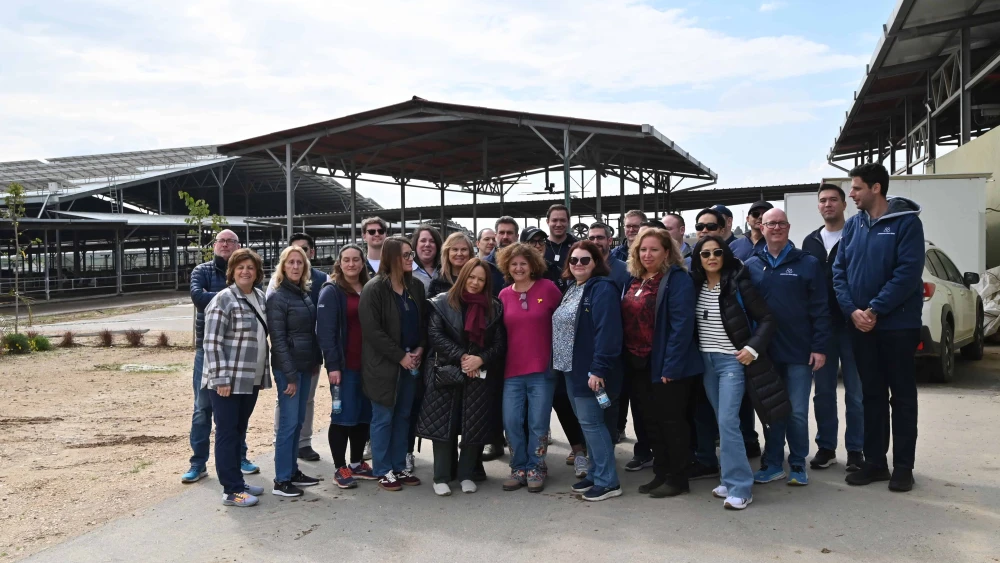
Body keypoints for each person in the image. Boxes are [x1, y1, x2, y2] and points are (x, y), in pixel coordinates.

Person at [834, 163, 923, 492]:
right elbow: (839, 272)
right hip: (860, 325)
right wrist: (852, 310)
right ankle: (875, 462)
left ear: (876, 188)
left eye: (856, 188)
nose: (852, 194)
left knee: (901, 397)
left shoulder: (907, 224)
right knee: (871, 394)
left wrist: (874, 309)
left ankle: (903, 467)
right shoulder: (853, 226)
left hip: (897, 326)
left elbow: (908, 273)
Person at [690, 235, 782, 510]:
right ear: (698, 259)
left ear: (725, 255)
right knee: (722, 422)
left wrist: (752, 348)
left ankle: (742, 487)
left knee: (729, 422)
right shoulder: (695, 285)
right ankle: (729, 480)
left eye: (717, 252)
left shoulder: (737, 283)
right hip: (706, 363)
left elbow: (767, 318)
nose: (711, 257)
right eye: (705, 254)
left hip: (731, 362)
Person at [745, 208, 830, 487]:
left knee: (795, 410)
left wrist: (819, 347)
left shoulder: (807, 263)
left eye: (781, 223)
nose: (776, 228)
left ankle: (797, 463)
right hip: (765, 353)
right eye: (771, 223)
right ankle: (772, 463)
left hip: (799, 351)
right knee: (772, 411)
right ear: (762, 227)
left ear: (789, 227)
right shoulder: (751, 264)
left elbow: (820, 308)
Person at [622, 227, 703, 498]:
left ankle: (678, 477)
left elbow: (682, 326)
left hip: (667, 365)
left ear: (667, 252)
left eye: (654, 249)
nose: (647, 254)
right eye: (643, 249)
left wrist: (672, 366)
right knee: (650, 422)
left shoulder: (677, 279)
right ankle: (661, 472)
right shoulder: (634, 279)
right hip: (638, 363)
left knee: (672, 422)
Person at [418, 258, 506, 496]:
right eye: (471, 277)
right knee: (443, 425)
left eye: (481, 279)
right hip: (447, 371)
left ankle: (467, 473)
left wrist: (480, 359)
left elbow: (499, 343)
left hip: (478, 372)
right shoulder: (441, 302)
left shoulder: (494, 307)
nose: (475, 283)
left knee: (472, 424)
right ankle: (441, 476)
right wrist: (463, 357)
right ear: (463, 276)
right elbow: (435, 334)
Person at [182, 229, 256, 484]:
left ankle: (240, 458)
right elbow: (198, 298)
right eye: (221, 241)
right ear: (214, 245)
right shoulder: (201, 271)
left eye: (230, 241)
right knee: (203, 408)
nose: (225, 244)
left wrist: (236, 295)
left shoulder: (245, 272)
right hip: (208, 348)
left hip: (239, 352)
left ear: (238, 245)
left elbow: (254, 301)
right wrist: (233, 297)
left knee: (237, 411)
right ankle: (198, 462)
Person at [553, 241, 624, 501]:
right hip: (570, 369)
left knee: (594, 425)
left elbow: (608, 332)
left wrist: (598, 369)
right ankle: (595, 473)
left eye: (585, 260)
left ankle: (608, 482)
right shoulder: (573, 288)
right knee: (589, 425)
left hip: (591, 372)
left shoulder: (602, 289)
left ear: (596, 262)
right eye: (574, 260)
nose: (579, 264)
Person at [202, 248, 271, 507]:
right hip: (227, 381)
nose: (245, 271)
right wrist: (220, 379)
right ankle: (231, 490)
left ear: (257, 273)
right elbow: (211, 342)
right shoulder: (223, 299)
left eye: (250, 268)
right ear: (232, 271)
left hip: (250, 378)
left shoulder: (260, 298)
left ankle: (238, 482)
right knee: (227, 432)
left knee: (239, 431)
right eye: (240, 267)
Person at [803, 184, 864, 473]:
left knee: (856, 393)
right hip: (822, 330)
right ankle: (826, 448)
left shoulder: (858, 236)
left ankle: (856, 450)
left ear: (844, 204)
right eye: (823, 201)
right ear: (818, 206)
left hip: (853, 327)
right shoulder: (810, 241)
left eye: (833, 200)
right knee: (823, 393)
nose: (828, 205)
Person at [359, 236, 426, 491]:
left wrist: (419, 348)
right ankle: (383, 469)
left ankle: (399, 466)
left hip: (412, 363)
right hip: (384, 366)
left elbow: (422, 323)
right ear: (393, 258)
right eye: (407, 255)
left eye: (411, 255)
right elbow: (373, 331)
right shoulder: (374, 288)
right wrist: (400, 356)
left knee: (403, 416)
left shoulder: (416, 287)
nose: (412, 259)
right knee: (383, 417)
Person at [497, 242, 563, 492]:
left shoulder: (548, 288)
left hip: (542, 370)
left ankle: (537, 466)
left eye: (523, 263)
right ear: (507, 266)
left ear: (533, 265)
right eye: (513, 263)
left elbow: (564, 322)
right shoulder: (503, 294)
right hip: (511, 371)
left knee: (538, 421)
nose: (518, 267)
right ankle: (518, 466)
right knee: (512, 421)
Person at [317, 244, 376, 489]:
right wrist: (333, 366)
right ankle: (339, 466)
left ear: (363, 263)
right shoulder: (331, 291)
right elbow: (326, 332)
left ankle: (356, 463)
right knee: (342, 417)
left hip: (369, 366)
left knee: (363, 416)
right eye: (346, 260)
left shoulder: (370, 288)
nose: (351, 264)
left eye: (356, 260)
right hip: (344, 365)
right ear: (339, 263)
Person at [266, 245, 323, 497]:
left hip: (304, 367)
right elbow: (277, 340)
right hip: (288, 370)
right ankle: (281, 480)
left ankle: (292, 471)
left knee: (298, 422)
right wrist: (289, 376)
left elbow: (310, 334)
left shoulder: (303, 294)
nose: (296, 266)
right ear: (283, 266)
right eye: (291, 262)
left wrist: (313, 363)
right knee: (288, 425)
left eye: (300, 263)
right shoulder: (278, 297)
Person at [428, 232, 474, 298]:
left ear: (470, 252)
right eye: (455, 249)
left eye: (464, 249)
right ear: (447, 252)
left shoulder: (477, 278)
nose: (459, 253)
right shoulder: (437, 280)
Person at [587, 222, 630, 292]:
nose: (595, 242)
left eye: (600, 238)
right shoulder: (582, 267)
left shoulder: (625, 270)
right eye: (591, 238)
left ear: (609, 241)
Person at [484, 216, 519, 296]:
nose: (505, 237)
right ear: (496, 236)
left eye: (509, 233)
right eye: (502, 233)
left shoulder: (527, 263)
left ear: (517, 236)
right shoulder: (485, 264)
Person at [411, 224, 443, 291]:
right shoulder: (406, 270)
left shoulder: (446, 269)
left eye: (432, 241)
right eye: (423, 241)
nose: (427, 244)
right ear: (416, 244)